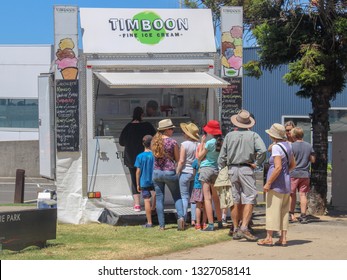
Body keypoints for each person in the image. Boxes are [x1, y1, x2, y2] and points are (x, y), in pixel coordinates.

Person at [218, 109, 266, 241]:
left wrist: (223, 168)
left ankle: (235, 228)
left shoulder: (229, 136)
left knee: (235, 199)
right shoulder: (253, 135)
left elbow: (221, 157)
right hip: (246, 168)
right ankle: (244, 226)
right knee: (250, 197)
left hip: (232, 168)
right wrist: (257, 163)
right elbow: (262, 151)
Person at [257, 123, 296, 247]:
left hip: (276, 184)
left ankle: (269, 237)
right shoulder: (289, 145)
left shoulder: (276, 148)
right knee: (284, 211)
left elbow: (277, 167)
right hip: (286, 183)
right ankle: (283, 238)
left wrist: (268, 183)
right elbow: (293, 164)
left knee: (272, 210)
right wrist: (286, 173)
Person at [119, 107, 156, 211]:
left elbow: (121, 142)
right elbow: (155, 138)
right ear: (142, 115)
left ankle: (137, 205)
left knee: (134, 180)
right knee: (149, 178)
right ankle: (152, 203)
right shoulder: (147, 126)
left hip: (131, 158)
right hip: (146, 157)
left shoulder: (128, 127)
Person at [151, 119, 185, 230]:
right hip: (169, 171)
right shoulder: (173, 142)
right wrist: (178, 170)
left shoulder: (154, 141)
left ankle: (161, 225)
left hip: (157, 172)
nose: (173, 130)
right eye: (171, 129)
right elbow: (178, 159)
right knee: (177, 196)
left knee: (160, 199)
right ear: (166, 130)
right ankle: (181, 218)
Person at [197, 120, 223, 231]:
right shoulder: (222, 142)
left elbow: (199, 156)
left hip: (206, 169)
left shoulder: (209, 143)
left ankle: (211, 224)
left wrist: (202, 142)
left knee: (207, 198)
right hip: (216, 169)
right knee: (216, 198)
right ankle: (220, 221)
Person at [289, 127, 315, 224]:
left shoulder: (291, 146)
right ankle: (303, 215)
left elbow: (289, 160)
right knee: (303, 195)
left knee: (292, 194)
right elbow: (312, 159)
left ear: (294, 135)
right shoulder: (308, 146)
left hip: (293, 173)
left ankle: (291, 214)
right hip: (305, 174)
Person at [176, 122, 200, 226]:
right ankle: (194, 220)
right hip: (195, 173)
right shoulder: (199, 145)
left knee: (184, 197)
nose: (183, 134)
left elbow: (181, 161)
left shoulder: (184, 145)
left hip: (185, 172)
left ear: (187, 134)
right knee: (193, 198)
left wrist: (177, 171)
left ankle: (183, 218)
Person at [135, 135, 156, 228]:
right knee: (156, 196)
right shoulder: (155, 155)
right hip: (155, 180)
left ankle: (149, 222)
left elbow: (138, 172)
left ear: (143, 144)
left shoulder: (140, 156)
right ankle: (154, 210)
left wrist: (137, 184)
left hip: (144, 181)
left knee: (147, 200)